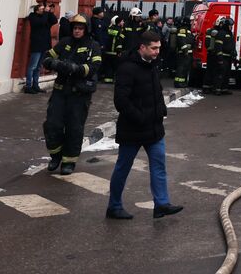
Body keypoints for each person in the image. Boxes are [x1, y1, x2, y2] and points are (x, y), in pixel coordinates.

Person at [106, 31, 182, 220]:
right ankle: (114, 206)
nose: (157, 52)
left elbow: (156, 92)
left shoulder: (152, 66)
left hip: (154, 129)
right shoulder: (127, 68)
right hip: (132, 129)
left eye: (159, 48)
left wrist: (161, 109)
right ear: (142, 47)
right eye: (153, 48)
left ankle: (161, 204)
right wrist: (139, 117)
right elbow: (121, 101)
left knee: (158, 166)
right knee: (123, 167)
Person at [42, 14, 101, 175]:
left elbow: (94, 66)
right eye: (75, 28)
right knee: (52, 125)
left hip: (79, 95)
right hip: (60, 92)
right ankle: (55, 156)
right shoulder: (65, 43)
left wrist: (77, 69)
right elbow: (47, 57)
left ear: (86, 30)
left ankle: (69, 161)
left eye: (80, 28)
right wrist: (53, 63)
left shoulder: (92, 46)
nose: (77, 31)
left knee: (74, 128)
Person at [24, 0, 57, 94]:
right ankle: (28, 86)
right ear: (36, 10)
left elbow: (54, 20)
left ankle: (35, 85)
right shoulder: (33, 17)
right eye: (42, 9)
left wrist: (49, 12)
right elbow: (41, 22)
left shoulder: (45, 17)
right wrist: (46, 12)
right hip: (37, 44)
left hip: (44, 45)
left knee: (38, 67)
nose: (44, 10)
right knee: (32, 66)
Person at [205, 17, 235, 95]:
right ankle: (216, 89)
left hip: (229, 57)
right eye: (230, 25)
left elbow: (232, 45)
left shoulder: (230, 34)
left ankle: (224, 89)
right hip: (223, 57)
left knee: (227, 74)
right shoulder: (221, 33)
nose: (231, 27)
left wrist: (234, 53)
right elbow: (218, 46)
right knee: (220, 74)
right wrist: (220, 58)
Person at [172, 20, 194, 88]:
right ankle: (178, 83)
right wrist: (185, 50)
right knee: (181, 68)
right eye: (190, 22)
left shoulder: (187, 30)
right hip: (183, 53)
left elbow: (190, 40)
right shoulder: (182, 30)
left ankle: (182, 82)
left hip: (187, 53)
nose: (191, 23)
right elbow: (181, 40)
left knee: (185, 68)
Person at [102, 15, 122, 84]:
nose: (123, 22)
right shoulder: (119, 30)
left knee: (108, 66)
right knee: (115, 67)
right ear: (119, 22)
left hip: (107, 51)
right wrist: (119, 51)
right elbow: (119, 41)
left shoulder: (109, 28)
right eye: (122, 21)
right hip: (114, 52)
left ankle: (107, 79)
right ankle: (114, 79)